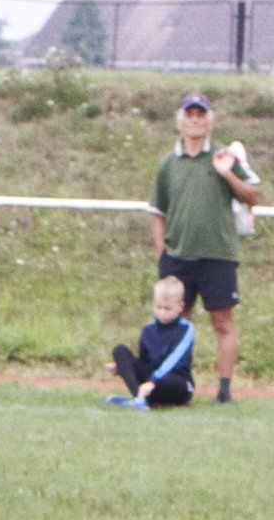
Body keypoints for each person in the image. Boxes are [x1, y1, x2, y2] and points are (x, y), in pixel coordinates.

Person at [148, 92, 259, 405]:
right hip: (178, 256)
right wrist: (162, 254)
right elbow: (158, 212)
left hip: (217, 255)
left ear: (210, 121)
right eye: (189, 115)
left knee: (223, 322)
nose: (195, 120)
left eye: (201, 115)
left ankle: (224, 390)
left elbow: (253, 196)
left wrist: (226, 174)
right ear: (180, 121)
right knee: (175, 322)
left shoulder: (225, 157)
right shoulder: (169, 164)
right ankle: (177, 383)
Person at [103, 275, 196, 409]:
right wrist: (123, 367)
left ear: (180, 306)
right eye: (159, 307)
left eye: (167, 308)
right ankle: (139, 399)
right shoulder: (148, 329)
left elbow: (174, 360)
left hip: (176, 381)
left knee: (167, 380)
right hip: (151, 382)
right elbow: (144, 362)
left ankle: (144, 397)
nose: (162, 312)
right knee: (120, 350)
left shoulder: (186, 328)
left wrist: (153, 381)